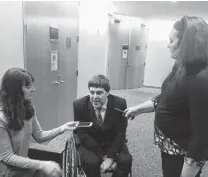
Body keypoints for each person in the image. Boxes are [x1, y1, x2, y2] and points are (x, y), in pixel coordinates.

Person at [124, 15, 208, 177]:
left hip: (182, 154)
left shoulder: (201, 79)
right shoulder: (181, 66)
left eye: (171, 40)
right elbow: (167, 97)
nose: (168, 45)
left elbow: (202, 139)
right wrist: (138, 109)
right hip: (169, 147)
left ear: (186, 44)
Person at [0, 68, 77, 177]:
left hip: (25, 166)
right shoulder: (2, 118)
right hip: (8, 172)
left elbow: (39, 136)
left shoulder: (28, 108)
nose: (33, 89)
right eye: (28, 86)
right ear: (15, 90)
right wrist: (41, 164)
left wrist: (62, 128)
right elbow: (8, 157)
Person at [73, 74, 132, 177]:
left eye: (99, 93)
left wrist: (111, 157)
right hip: (90, 142)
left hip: (112, 141)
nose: (95, 97)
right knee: (91, 163)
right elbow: (82, 133)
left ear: (108, 92)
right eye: (92, 92)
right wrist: (104, 157)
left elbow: (121, 133)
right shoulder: (79, 105)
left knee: (125, 161)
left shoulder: (120, 103)